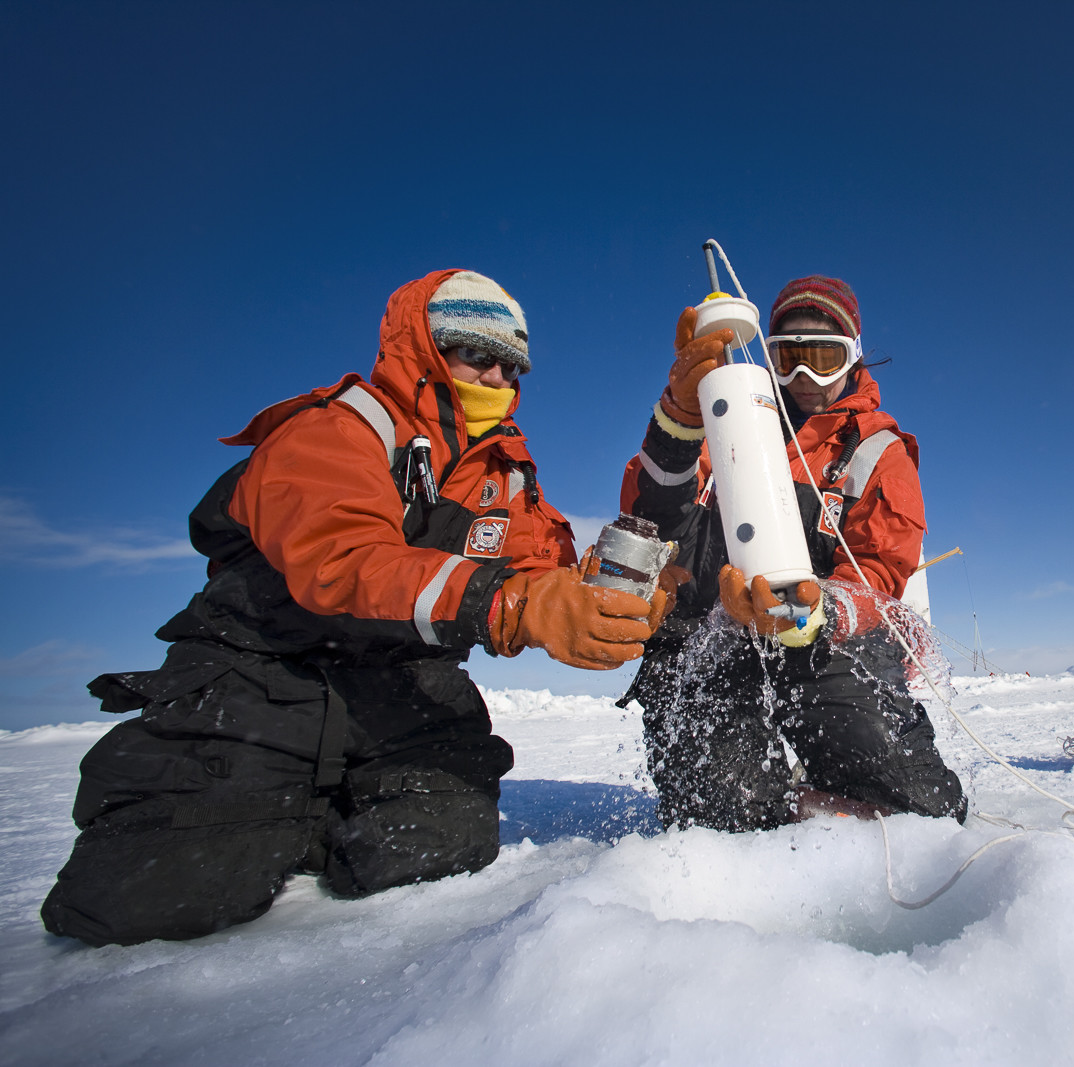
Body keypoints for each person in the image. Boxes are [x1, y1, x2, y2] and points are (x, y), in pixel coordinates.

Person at [41, 270, 671, 947]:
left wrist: (616, 600)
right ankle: (266, 806)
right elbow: (343, 561)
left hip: (400, 684)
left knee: (443, 837)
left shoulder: (505, 475)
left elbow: (544, 576)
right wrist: (514, 603)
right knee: (154, 892)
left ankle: (310, 808)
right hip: (266, 667)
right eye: (474, 352)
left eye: (510, 363)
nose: (494, 375)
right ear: (426, 347)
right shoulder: (339, 429)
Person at [619, 275, 967, 831]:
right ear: (768, 356)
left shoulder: (877, 450)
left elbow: (881, 572)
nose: (805, 378)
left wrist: (817, 608)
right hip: (707, 641)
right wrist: (680, 419)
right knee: (724, 820)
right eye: (788, 358)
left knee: (924, 818)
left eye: (823, 358)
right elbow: (652, 518)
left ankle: (812, 791)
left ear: (853, 358)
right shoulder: (719, 419)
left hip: (822, 641)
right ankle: (774, 799)